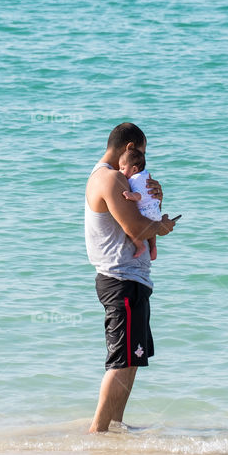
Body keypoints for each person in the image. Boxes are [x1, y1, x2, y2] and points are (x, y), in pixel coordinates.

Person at [84, 122, 177, 433]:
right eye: (141, 153)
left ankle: (114, 428)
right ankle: (98, 432)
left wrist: (155, 199)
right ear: (128, 148)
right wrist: (162, 227)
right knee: (121, 361)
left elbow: (140, 217)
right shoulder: (108, 179)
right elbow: (137, 229)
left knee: (132, 358)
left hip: (131, 279)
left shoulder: (119, 180)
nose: (142, 161)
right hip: (119, 278)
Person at [117, 147, 162, 261]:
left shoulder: (134, 179)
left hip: (145, 212)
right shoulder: (146, 175)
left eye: (122, 168)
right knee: (152, 234)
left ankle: (140, 246)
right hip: (155, 211)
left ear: (134, 169)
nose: (120, 171)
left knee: (128, 227)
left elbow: (139, 194)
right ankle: (153, 247)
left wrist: (130, 195)